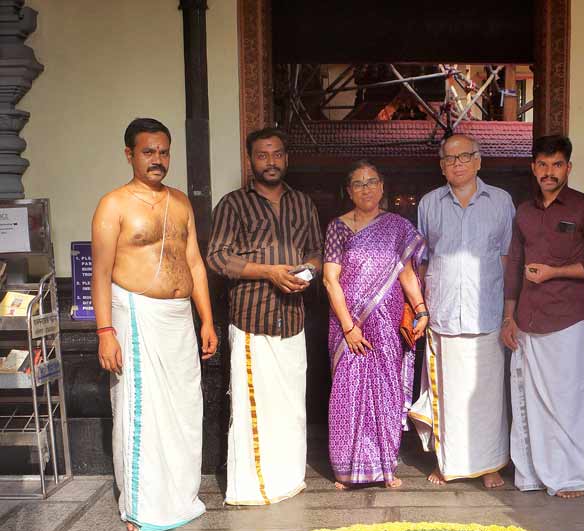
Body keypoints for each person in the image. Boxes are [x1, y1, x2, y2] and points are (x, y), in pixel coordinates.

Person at [91, 117, 217, 531]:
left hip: (179, 318)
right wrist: (105, 332)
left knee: (184, 409)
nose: (157, 159)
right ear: (129, 154)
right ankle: (142, 507)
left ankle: (180, 499)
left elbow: (194, 262)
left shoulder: (180, 202)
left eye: (164, 152)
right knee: (140, 412)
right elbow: (100, 274)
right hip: (137, 316)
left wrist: (207, 320)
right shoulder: (113, 205)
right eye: (148, 152)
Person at [206, 127, 322, 505]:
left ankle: (288, 479)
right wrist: (269, 272)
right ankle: (254, 488)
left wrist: (307, 272)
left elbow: (316, 252)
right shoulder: (233, 204)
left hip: (293, 321)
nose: (270, 162)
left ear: (286, 158)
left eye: (276, 154)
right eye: (262, 155)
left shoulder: (303, 203)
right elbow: (218, 258)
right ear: (250, 160)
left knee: (291, 407)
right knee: (254, 407)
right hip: (252, 320)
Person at [502, 135, 584, 498]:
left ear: (568, 167)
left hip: (567, 318)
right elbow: (514, 266)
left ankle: (571, 477)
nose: (549, 172)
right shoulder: (524, 211)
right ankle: (533, 474)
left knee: (569, 400)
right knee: (529, 401)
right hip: (527, 319)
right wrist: (509, 318)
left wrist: (555, 272)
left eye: (557, 165)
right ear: (533, 168)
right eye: (543, 165)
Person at [410, 134, 515, 489]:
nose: (457, 164)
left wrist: (508, 310)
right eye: (450, 159)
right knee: (449, 394)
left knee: (487, 396)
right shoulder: (429, 203)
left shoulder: (501, 201)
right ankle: (449, 462)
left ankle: (489, 465)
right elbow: (422, 260)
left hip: (486, 312)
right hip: (443, 313)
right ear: (441, 166)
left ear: (479, 161)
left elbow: (507, 258)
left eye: (465, 156)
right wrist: (421, 308)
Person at [322, 161, 428, 489]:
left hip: (386, 324)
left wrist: (421, 309)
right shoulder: (338, 227)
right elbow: (329, 279)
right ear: (349, 191)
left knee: (386, 391)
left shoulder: (397, 227)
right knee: (348, 393)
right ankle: (347, 470)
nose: (366, 189)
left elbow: (406, 274)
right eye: (358, 183)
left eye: (371, 182)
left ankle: (384, 468)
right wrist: (349, 327)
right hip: (348, 324)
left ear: (382, 187)